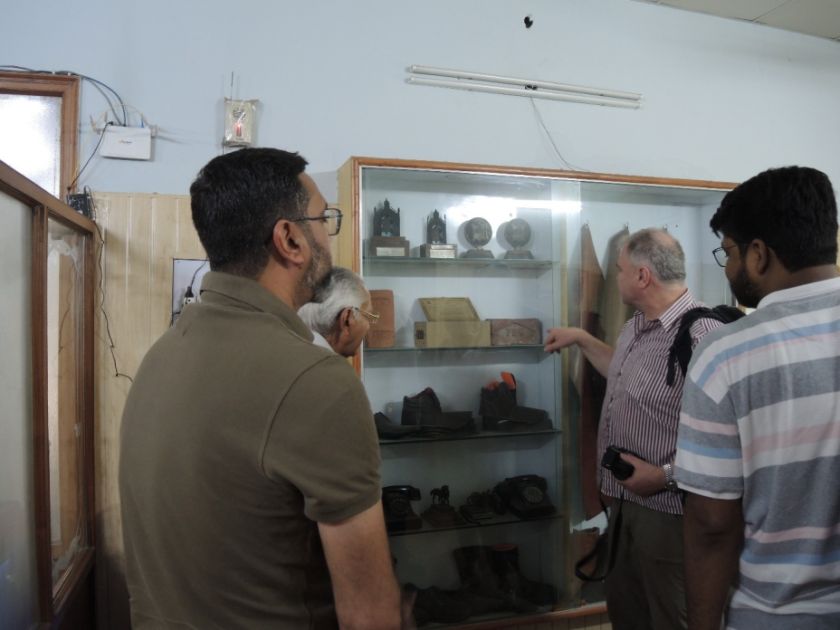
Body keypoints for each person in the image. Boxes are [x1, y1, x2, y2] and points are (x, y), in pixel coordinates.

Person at [119, 148, 404, 629]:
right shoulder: (317, 381)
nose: (327, 238)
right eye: (323, 220)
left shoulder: (162, 353)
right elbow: (370, 614)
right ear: (290, 239)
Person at [675, 166, 840, 630]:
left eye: (728, 252)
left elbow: (711, 525)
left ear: (759, 254)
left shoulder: (726, 354)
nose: (727, 266)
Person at [545, 228, 725, 630]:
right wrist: (582, 339)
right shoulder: (635, 327)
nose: (616, 273)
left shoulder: (704, 337)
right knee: (629, 614)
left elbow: (732, 444)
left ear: (643, 277)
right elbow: (623, 373)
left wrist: (665, 476)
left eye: (621, 268)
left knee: (674, 617)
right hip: (626, 507)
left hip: (672, 514)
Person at [298, 266, 378, 357]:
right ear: (347, 320)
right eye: (368, 316)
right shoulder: (327, 368)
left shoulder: (290, 348)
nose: (369, 327)